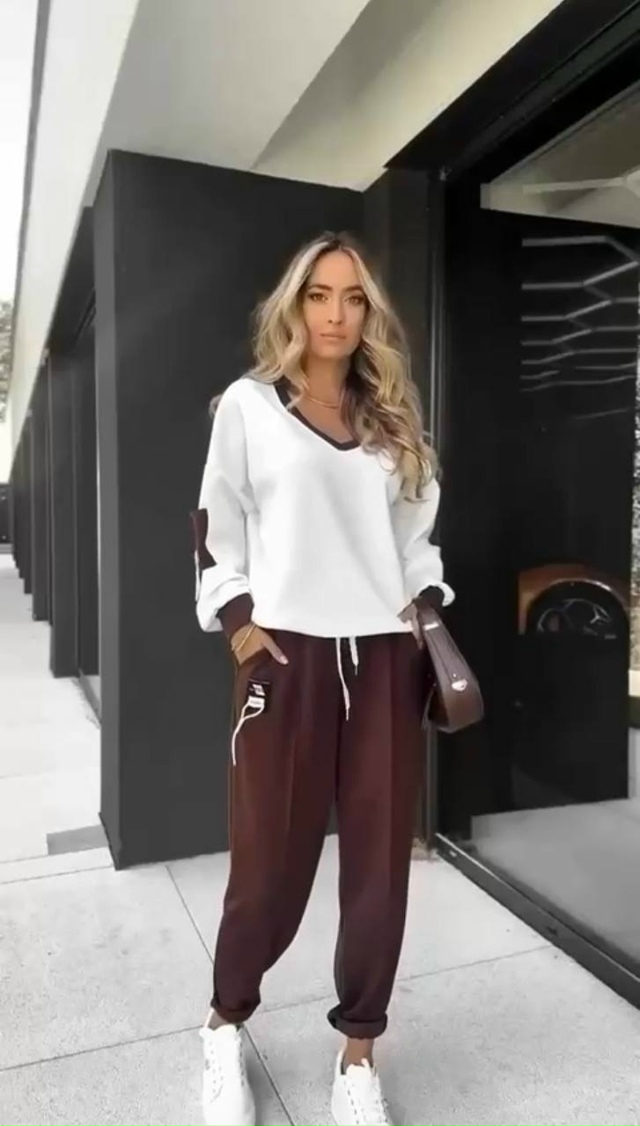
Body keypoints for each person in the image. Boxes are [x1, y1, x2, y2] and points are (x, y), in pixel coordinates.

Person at [191, 231, 454, 1126]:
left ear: (369, 311)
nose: (336, 314)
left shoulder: (392, 422)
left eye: (353, 297)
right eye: (318, 294)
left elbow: (416, 540)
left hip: (382, 659)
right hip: (288, 659)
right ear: (294, 304)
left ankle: (358, 1057)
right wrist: (239, 621)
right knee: (268, 865)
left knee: (379, 868)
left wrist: (423, 609)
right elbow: (215, 523)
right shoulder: (248, 407)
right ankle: (224, 1025)